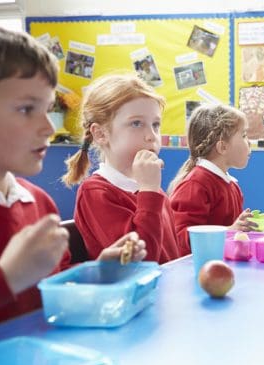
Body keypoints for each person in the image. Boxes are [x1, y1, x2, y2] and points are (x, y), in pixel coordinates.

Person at [0, 24, 144, 333]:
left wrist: (97, 271)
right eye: (26, 109)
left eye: (48, 109)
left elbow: (54, 292)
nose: (48, 128)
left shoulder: (37, 204)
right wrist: (6, 277)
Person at [62, 74, 179, 263]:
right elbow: (141, 263)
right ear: (100, 134)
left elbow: (172, 256)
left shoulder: (152, 190)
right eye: (136, 123)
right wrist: (149, 192)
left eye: (155, 125)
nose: (151, 136)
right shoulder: (96, 192)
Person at [168, 104, 264, 255]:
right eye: (244, 135)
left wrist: (262, 220)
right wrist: (230, 231)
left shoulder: (230, 184)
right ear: (223, 147)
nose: (249, 142)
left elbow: (233, 229)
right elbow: (180, 237)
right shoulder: (195, 184)